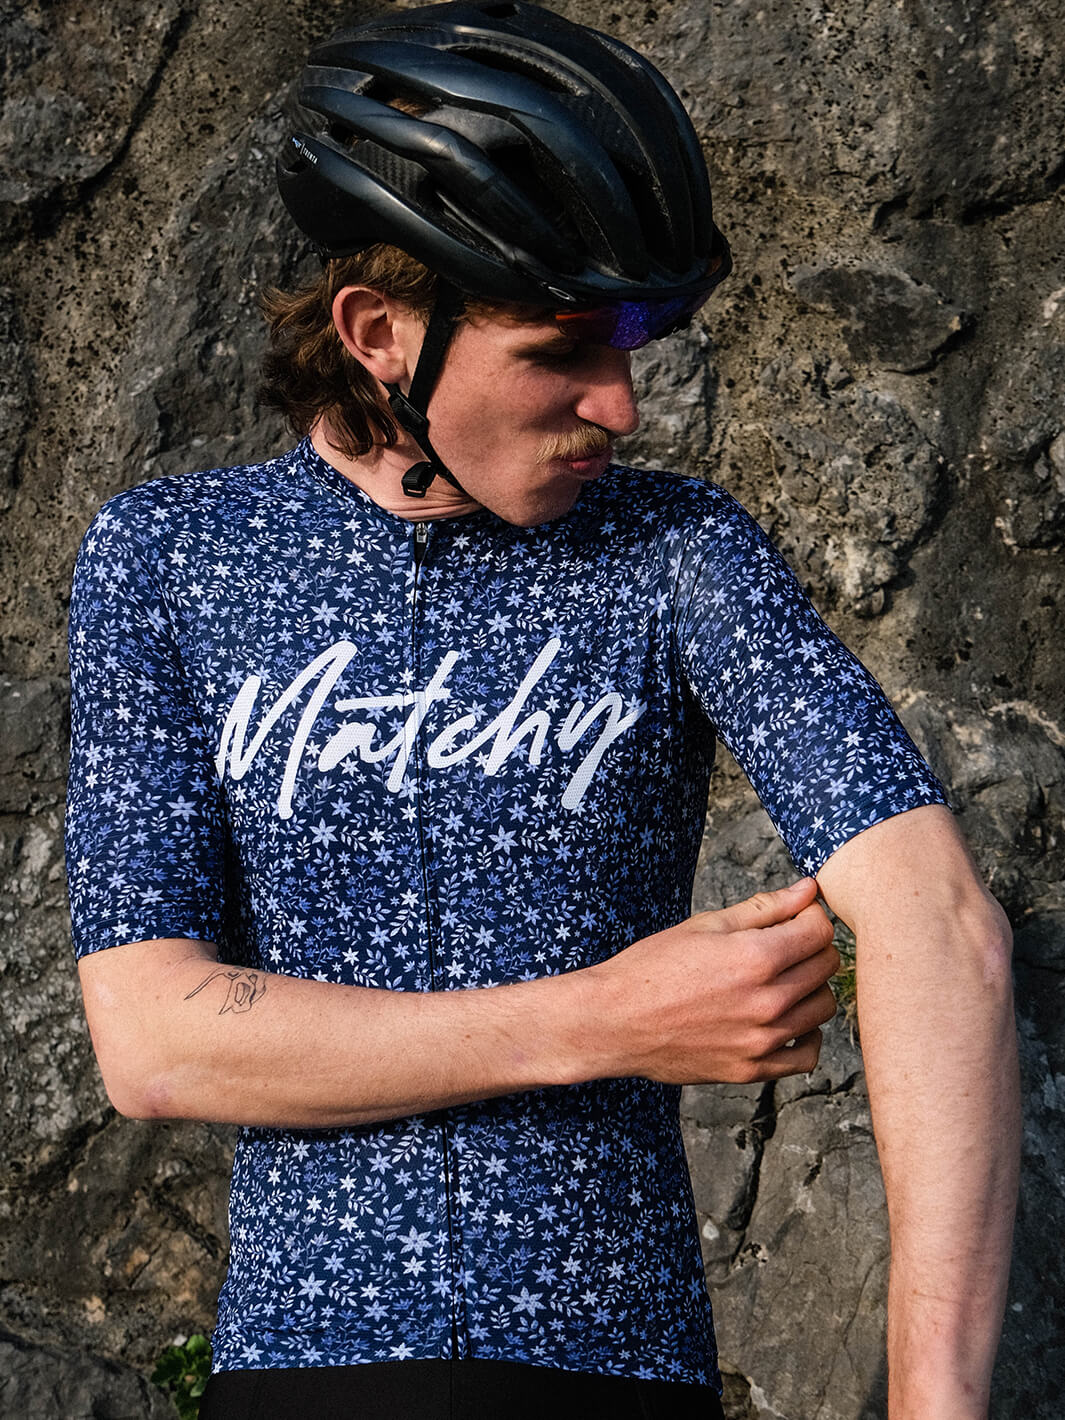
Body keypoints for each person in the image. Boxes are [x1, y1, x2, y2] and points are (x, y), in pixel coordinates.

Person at [66, 3, 1019, 1417]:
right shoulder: (169, 557)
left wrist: (935, 1401)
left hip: (617, 1364)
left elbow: (939, 927)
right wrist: (603, 1018)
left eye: (635, 347)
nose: (619, 407)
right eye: (562, 350)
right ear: (379, 333)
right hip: (311, 1372)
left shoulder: (677, 550)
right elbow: (155, 1038)